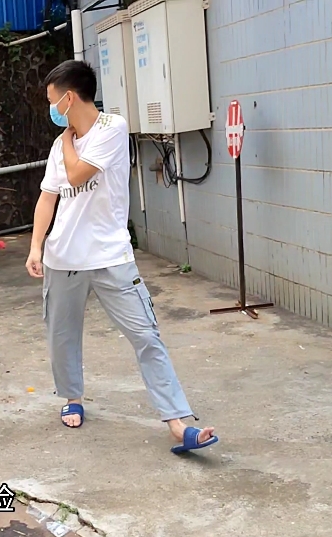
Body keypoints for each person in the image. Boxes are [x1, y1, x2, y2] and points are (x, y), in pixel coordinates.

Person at [25, 60, 218, 454]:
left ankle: (179, 424)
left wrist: (66, 142)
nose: (50, 109)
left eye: (51, 101)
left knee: (146, 334)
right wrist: (35, 246)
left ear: (69, 97)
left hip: (111, 257)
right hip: (63, 259)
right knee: (61, 335)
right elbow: (48, 196)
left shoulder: (112, 128)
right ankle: (72, 397)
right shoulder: (57, 146)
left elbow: (77, 175)